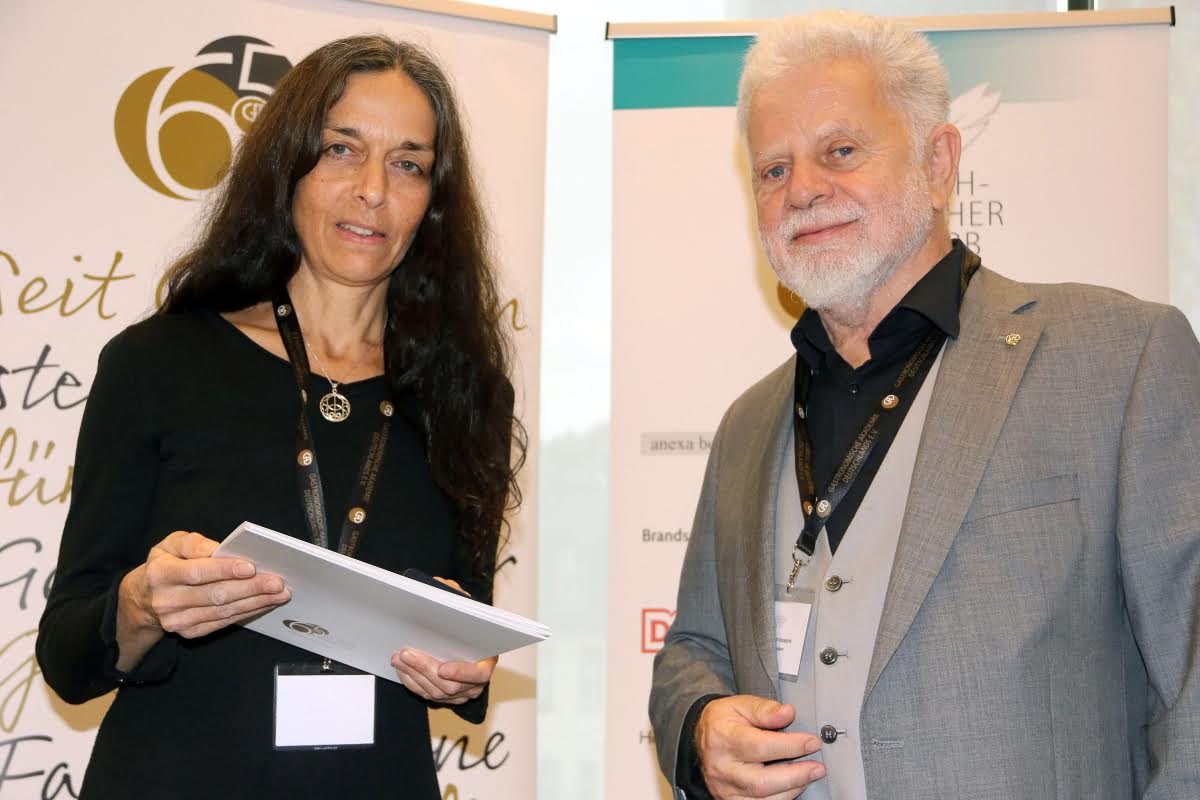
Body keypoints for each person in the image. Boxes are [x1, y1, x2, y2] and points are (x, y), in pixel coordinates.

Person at [649, 11, 1199, 800]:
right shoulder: (748, 425)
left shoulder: (1121, 359)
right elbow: (693, 650)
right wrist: (700, 724)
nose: (803, 189)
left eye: (841, 151)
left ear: (938, 163)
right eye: (773, 169)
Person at [36, 34, 524, 799]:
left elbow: (465, 636)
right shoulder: (155, 364)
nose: (372, 189)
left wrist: (464, 663)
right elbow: (68, 657)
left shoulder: (466, 394)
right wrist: (139, 605)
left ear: (434, 201)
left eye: (408, 164)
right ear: (287, 165)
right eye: (340, 150)